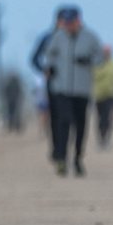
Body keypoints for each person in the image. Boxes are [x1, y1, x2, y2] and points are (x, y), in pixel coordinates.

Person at [43, 6, 103, 176]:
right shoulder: (58, 37)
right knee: (64, 121)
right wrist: (50, 67)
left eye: (71, 22)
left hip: (82, 89)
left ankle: (77, 158)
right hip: (61, 88)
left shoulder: (90, 37)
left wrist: (88, 60)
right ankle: (61, 157)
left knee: (80, 124)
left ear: (78, 20)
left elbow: (100, 57)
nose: (68, 26)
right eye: (66, 23)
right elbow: (49, 54)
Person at [30, 8, 66, 158]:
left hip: (73, 85)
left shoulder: (79, 39)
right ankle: (57, 148)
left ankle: (64, 146)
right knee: (55, 116)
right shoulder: (47, 38)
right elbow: (34, 58)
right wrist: (44, 70)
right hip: (53, 83)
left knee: (68, 118)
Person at [92, 45, 113, 149]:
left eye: (108, 52)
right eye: (104, 52)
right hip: (99, 95)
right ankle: (101, 138)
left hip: (111, 94)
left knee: (109, 117)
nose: (106, 54)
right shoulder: (97, 64)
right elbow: (91, 76)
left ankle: (106, 138)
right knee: (100, 118)